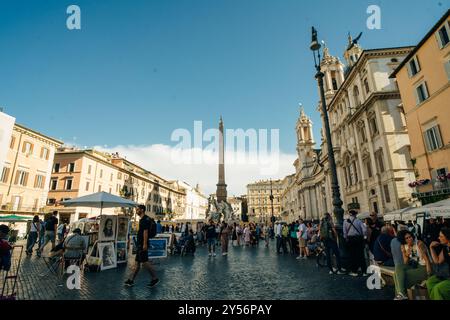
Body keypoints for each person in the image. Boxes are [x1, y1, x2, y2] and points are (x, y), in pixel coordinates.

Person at [124, 205, 159, 288]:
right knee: (137, 263)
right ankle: (131, 280)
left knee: (145, 262)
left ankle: (155, 278)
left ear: (142, 210)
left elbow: (145, 232)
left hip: (142, 244)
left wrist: (145, 244)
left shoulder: (144, 220)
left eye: (138, 209)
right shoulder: (145, 219)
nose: (136, 211)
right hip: (141, 244)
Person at [393, 231, 432, 300]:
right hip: (417, 266)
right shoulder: (404, 246)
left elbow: (427, 261)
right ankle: (401, 294)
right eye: (406, 238)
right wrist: (407, 254)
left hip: (425, 267)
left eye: (410, 237)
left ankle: (401, 294)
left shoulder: (419, 243)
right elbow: (406, 263)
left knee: (400, 277)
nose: (409, 239)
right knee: (398, 268)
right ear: (403, 240)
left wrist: (429, 275)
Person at [426, 228, 450, 300]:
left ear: (448, 237)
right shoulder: (446, 248)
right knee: (429, 282)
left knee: (437, 288)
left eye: (441, 236)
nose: (439, 238)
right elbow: (437, 261)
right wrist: (431, 248)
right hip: (446, 276)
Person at [343, 210, 368, 277]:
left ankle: (354, 271)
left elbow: (344, 232)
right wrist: (363, 236)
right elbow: (365, 230)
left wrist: (346, 238)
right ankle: (364, 272)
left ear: (349, 214)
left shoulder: (345, 221)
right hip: (358, 239)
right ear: (355, 215)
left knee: (352, 256)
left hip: (350, 240)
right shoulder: (358, 221)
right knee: (361, 255)